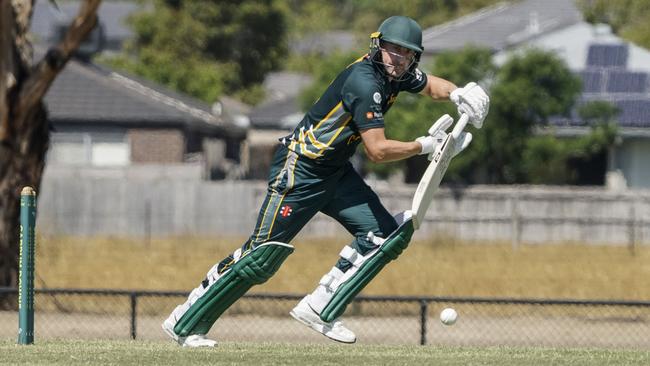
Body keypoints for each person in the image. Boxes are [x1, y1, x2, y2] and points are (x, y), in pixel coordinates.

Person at [162, 15, 489, 347]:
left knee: (385, 237)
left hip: (335, 171)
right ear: (378, 46)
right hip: (300, 171)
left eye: (406, 53)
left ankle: (320, 308)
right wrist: (425, 146)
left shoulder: (398, 73)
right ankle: (185, 321)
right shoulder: (365, 82)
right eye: (392, 50)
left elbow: (432, 84)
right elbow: (377, 150)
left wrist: (459, 93)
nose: (398, 58)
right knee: (260, 257)